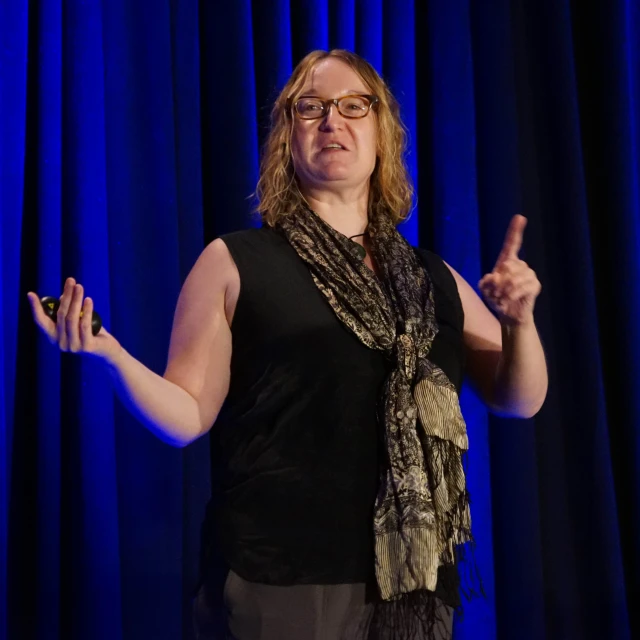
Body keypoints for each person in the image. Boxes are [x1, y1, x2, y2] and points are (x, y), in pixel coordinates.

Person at [28, 49, 548, 640]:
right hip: (282, 581)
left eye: (355, 106)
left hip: (412, 584)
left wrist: (520, 323)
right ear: (286, 140)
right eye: (311, 108)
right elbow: (186, 415)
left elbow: (518, 398)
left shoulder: (433, 279)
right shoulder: (235, 263)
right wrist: (111, 356)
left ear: (382, 133)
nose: (333, 120)